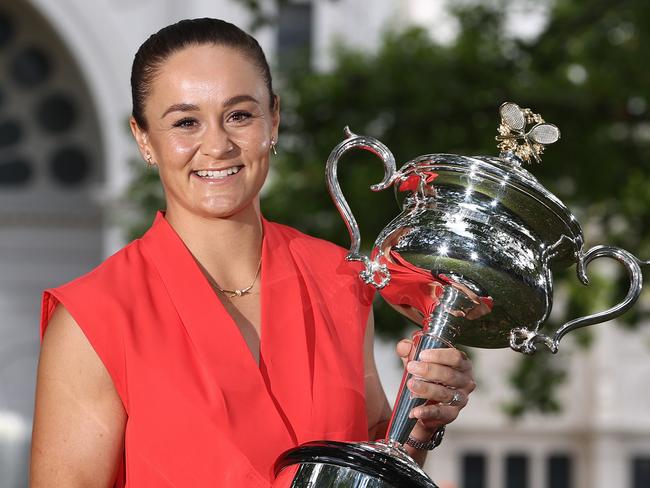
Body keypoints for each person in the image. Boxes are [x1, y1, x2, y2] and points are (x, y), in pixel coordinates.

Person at [30, 18, 476, 487]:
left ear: (274, 120)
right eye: (185, 122)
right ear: (144, 139)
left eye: (239, 115)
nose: (218, 145)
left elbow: (369, 467)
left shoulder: (340, 280)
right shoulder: (95, 319)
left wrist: (422, 421)